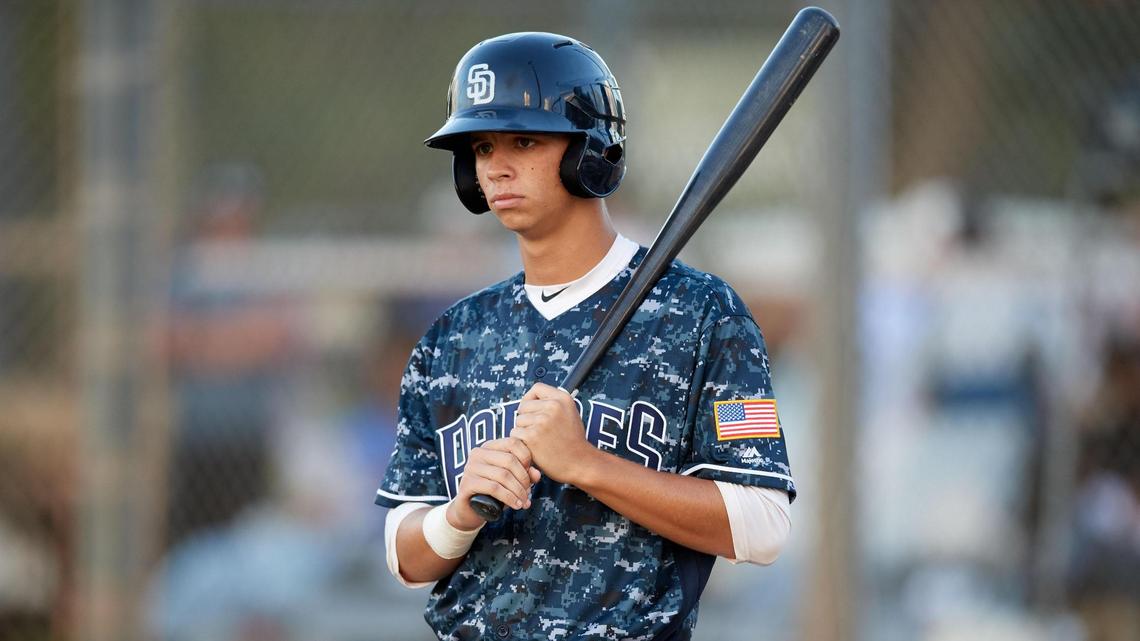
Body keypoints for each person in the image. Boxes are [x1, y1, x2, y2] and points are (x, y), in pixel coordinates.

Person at [375, 32, 794, 641]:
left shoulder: (704, 315)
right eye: (482, 146)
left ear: (589, 150)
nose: (497, 166)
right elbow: (404, 556)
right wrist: (460, 514)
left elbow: (762, 525)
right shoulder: (453, 338)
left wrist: (586, 465)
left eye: (524, 140)